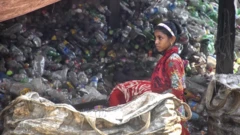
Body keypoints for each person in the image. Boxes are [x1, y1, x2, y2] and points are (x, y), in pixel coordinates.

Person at [108, 20, 189, 135]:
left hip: (169, 107)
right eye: (155, 38)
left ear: (172, 39)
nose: (156, 42)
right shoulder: (167, 58)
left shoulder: (172, 60)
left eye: (160, 38)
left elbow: (178, 89)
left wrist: (159, 102)